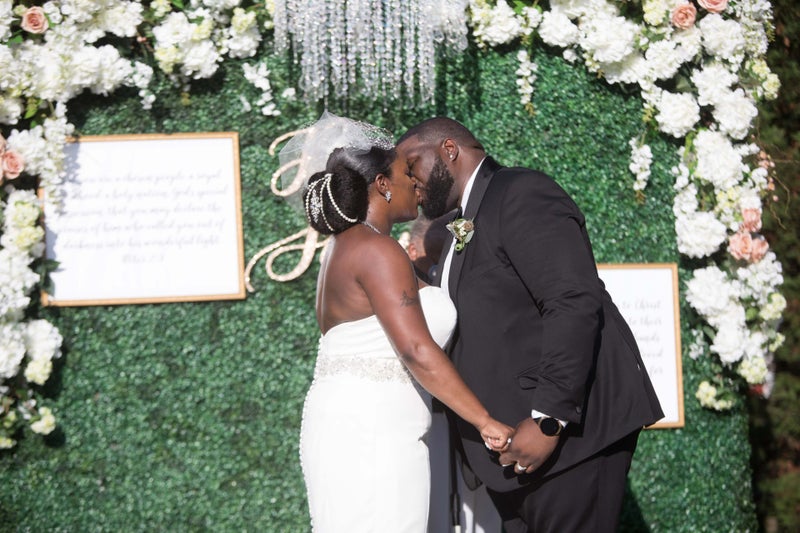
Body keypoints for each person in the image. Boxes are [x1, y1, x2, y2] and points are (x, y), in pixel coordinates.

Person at [396, 117, 664, 533]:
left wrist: (548, 420)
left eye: (412, 164)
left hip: (568, 442)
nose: (410, 179)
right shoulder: (460, 225)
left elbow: (571, 300)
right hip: (513, 458)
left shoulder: (521, 192)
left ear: (449, 149)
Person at [296, 114, 514, 532]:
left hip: (351, 422)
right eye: (406, 173)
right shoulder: (377, 251)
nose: (416, 183)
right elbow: (415, 349)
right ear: (382, 184)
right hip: (373, 431)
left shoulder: (344, 246)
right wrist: (484, 421)